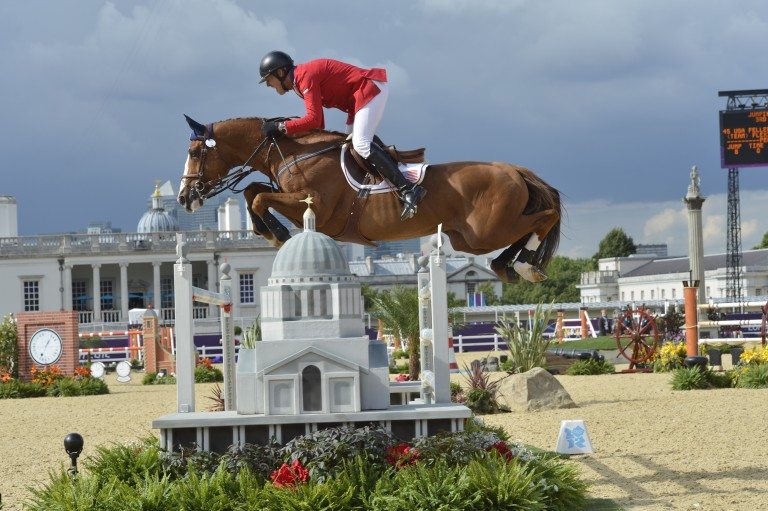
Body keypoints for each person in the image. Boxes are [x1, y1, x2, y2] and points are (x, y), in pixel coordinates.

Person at [258, 50, 426, 220]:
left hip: (369, 89)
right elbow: (319, 125)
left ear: (280, 73)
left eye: (268, 79)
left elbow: (314, 120)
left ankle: (409, 189)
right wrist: (287, 131)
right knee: (348, 145)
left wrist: (281, 127)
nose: (268, 85)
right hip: (356, 100)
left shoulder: (303, 77)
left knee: (360, 143)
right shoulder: (298, 84)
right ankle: (389, 179)